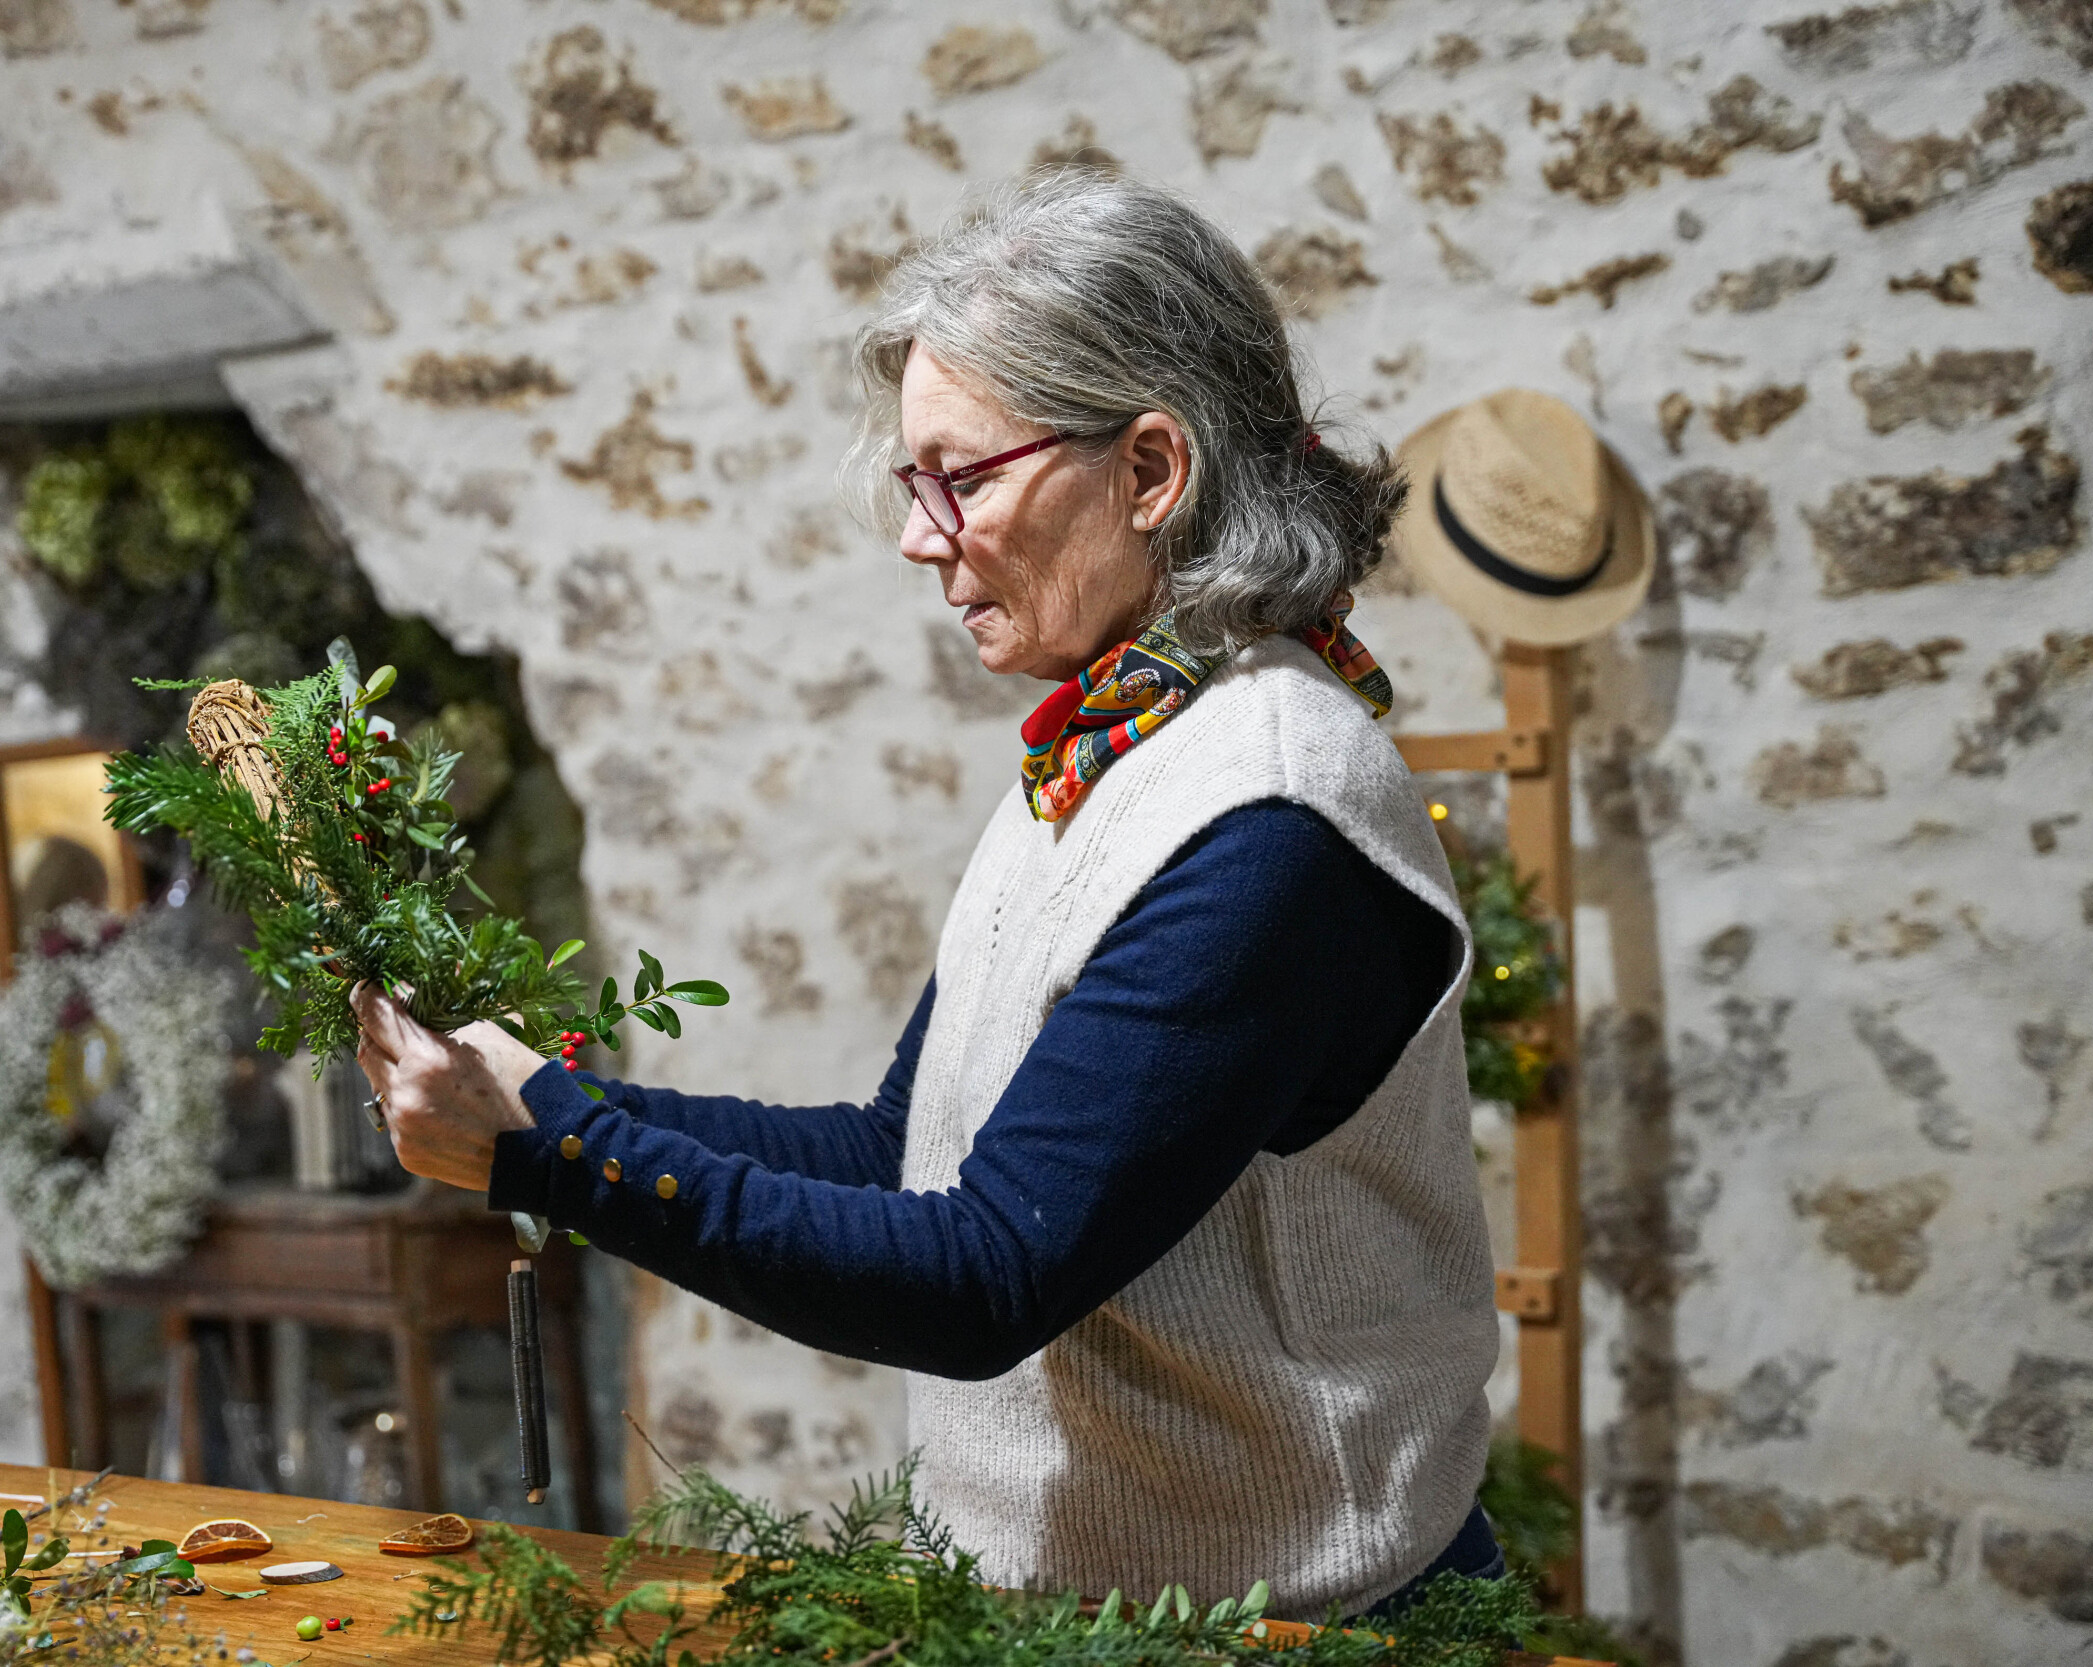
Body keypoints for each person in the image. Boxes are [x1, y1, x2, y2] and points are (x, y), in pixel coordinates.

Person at [351, 173, 1502, 1620]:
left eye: (961, 476)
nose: (918, 535)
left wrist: (551, 1156)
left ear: (1151, 472)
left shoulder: (1269, 810)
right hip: (1108, 1618)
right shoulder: (1113, 742)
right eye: (916, 481)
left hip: (1289, 1630)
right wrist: (535, 1097)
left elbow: (984, 1275)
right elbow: (903, 1148)